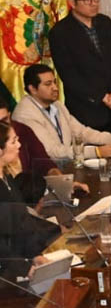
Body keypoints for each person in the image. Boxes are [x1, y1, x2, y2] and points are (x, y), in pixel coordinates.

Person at [12, 64, 111, 164]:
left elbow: (82, 132)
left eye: (55, 82)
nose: (55, 88)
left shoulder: (56, 105)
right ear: (32, 89)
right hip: (44, 171)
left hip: (65, 164)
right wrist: (95, 152)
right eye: (48, 84)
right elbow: (52, 151)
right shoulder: (25, 114)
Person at [49, 0, 111, 134]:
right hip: (85, 111)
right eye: (87, 0)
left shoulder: (105, 22)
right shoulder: (60, 32)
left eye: (96, 0)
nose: (94, 4)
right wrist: (102, 96)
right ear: (72, 3)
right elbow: (69, 75)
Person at [0, 120, 59, 280]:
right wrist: (23, 268)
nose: (19, 145)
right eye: (13, 141)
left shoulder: (7, 178)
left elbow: (22, 221)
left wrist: (35, 255)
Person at [0, 100, 58, 180]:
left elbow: (43, 161)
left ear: (9, 116)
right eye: (13, 142)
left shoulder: (23, 130)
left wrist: (59, 180)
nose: (2, 127)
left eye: (4, 120)